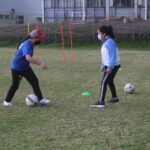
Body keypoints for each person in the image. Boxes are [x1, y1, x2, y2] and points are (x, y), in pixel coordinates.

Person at [3, 29, 51, 106]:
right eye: (38, 38)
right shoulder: (27, 44)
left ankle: (41, 100)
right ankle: (6, 101)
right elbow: (28, 58)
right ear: (33, 38)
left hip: (25, 67)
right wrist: (40, 63)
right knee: (15, 85)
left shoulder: (30, 43)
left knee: (34, 81)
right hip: (17, 68)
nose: (39, 40)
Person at [91, 25, 121, 108]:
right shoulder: (106, 42)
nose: (98, 35)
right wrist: (103, 65)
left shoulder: (110, 42)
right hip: (109, 65)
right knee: (109, 81)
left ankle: (101, 102)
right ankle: (115, 98)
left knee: (104, 82)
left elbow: (112, 56)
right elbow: (105, 56)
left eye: (99, 33)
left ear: (104, 34)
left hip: (113, 65)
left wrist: (110, 67)